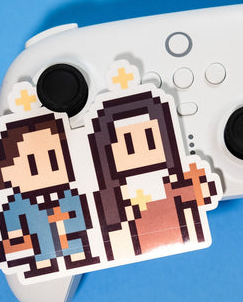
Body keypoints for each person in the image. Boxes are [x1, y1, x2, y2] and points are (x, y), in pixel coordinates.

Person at [87, 90, 219, 261]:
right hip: (141, 240)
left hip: (178, 230)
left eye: (149, 136)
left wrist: (200, 184)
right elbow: (112, 226)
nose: (138, 146)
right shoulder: (116, 196)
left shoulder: (174, 179)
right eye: (127, 141)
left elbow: (201, 191)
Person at [0, 112, 97, 278]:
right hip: (39, 258)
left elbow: (84, 227)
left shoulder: (71, 197)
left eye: (53, 157)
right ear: (6, 171)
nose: (47, 166)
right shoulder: (15, 209)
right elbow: (11, 245)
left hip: (74, 250)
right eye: (31, 161)